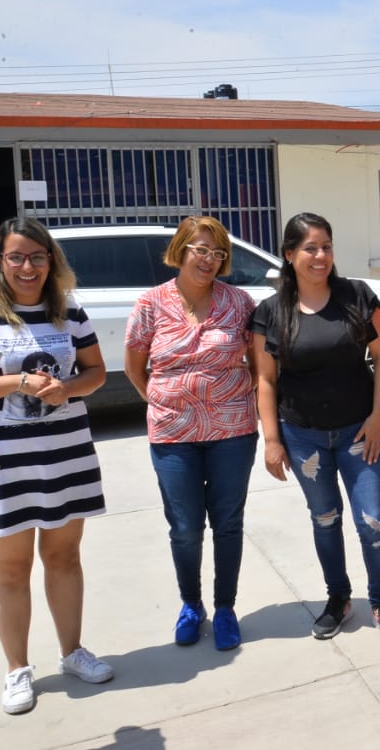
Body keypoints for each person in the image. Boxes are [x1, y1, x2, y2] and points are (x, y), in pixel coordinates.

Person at [0, 217, 112, 716]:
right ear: (0, 263)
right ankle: (17, 670)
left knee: (65, 558)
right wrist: (19, 384)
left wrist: (66, 389)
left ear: (52, 261)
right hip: (5, 461)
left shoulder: (70, 312)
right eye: (16, 257)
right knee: (11, 567)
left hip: (67, 452)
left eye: (38, 257)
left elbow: (96, 373)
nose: (28, 267)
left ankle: (72, 652)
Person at [250, 212, 380, 644]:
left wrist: (379, 418)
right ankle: (338, 598)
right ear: (289, 255)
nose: (320, 256)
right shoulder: (270, 312)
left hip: (360, 431)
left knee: (372, 520)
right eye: (309, 248)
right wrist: (271, 440)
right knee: (325, 519)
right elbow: (264, 379)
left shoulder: (356, 295)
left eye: (326, 247)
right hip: (303, 436)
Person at [124, 216, 258, 651]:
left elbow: (258, 365)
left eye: (218, 253)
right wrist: (167, 401)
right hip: (172, 433)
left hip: (232, 430)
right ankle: (190, 605)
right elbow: (134, 365)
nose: (209, 260)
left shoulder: (240, 303)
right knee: (184, 526)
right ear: (180, 250)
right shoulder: (150, 303)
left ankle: (224, 608)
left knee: (228, 523)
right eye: (200, 249)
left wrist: (228, 397)